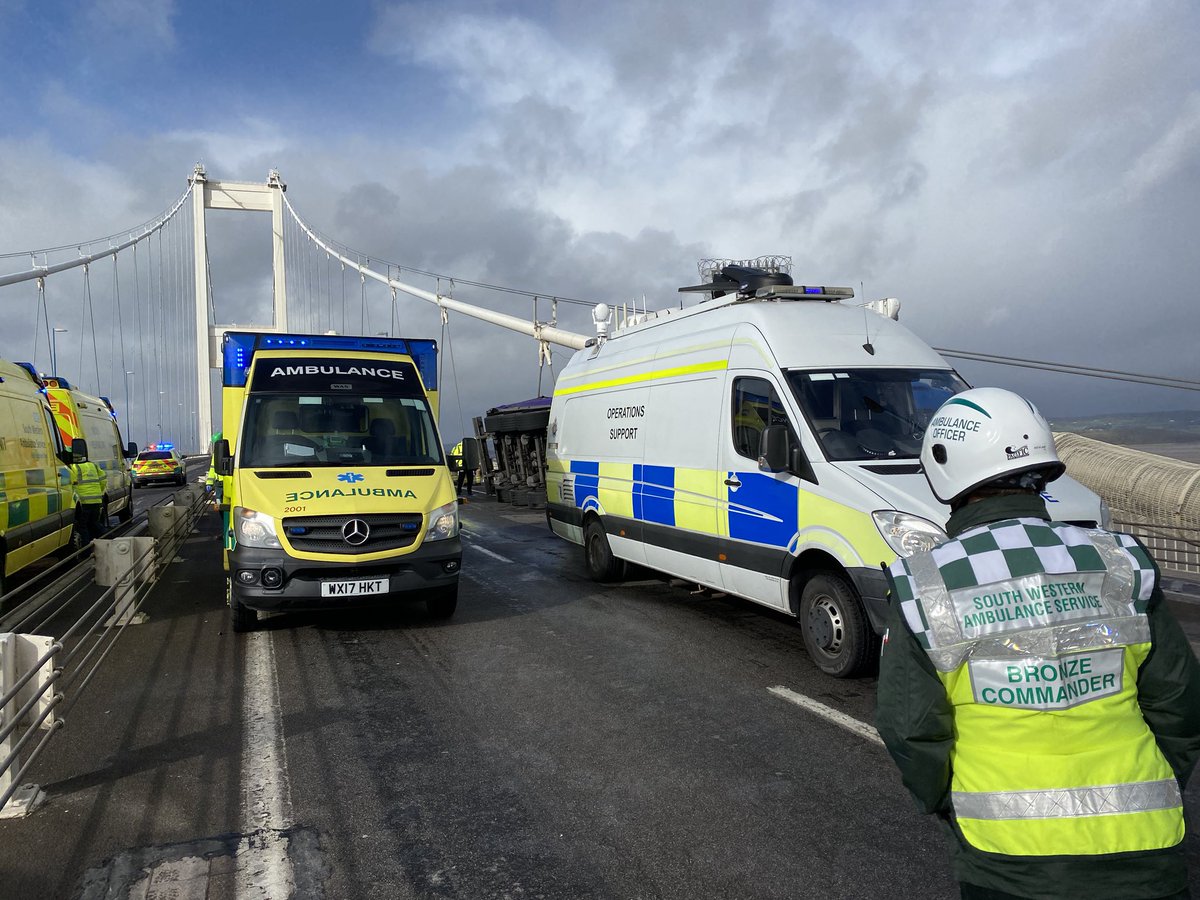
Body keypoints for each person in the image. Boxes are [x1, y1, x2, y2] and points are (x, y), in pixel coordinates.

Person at [875, 387, 1200, 900]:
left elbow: (911, 730)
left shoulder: (927, 581)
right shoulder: (1119, 561)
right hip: (1146, 850)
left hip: (1007, 861)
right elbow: (1179, 702)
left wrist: (955, 806)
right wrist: (1155, 784)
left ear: (943, 467)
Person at [71, 446, 108, 547]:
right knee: (95, 524)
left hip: (84, 502)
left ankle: (86, 551)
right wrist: (98, 492)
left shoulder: (73, 467)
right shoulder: (92, 465)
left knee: (83, 527)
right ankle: (108, 541)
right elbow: (103, 479)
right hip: (96, 500)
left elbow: (72, 484)